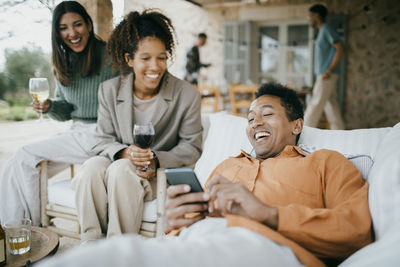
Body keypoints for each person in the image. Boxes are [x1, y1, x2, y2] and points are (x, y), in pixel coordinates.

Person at [38, 83, 372, 267]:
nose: (255, 122)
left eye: (267, 114)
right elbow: (181, 232)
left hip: (271, 249)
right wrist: (173, 224)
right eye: (251, 117)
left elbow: (357, 230)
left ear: (297, 125)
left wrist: (268, 214)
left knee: (115, 258)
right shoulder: (227, 166)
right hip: (195, 245)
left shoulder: (327, 163)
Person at [72, 10, 202, 242]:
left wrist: (155, 159)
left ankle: (119, 249)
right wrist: (124, 152)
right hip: (117, 162)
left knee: (121, 169)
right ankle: (91, 245)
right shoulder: (109, 90)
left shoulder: (187, 94)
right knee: (92, 167)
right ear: (129, 59)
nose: (155, 66)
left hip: (155, 173)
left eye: (161, 57)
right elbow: (102, 140)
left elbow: (192, 147)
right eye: (145, 58)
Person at [0, 1, 117, 225]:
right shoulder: (63, 62)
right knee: (18, 165)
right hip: (77, 133)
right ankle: (17, 227)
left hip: (102, 134)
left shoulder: (111, 57)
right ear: (57, 32)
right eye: (63, 28)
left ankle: (34, 229)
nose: (72, 33)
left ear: (89, 26)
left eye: (78, 24)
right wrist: (50, 107)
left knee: (25, 155)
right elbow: (66, 109)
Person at [304, 3, 345, 130]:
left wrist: (329, 70)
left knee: (314, 105)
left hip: (326, 75)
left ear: (316, 15)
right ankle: (340, 134)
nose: (308, 19)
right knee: (332, 108)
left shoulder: (326, 29)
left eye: (309, 16)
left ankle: (301, 134)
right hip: (326, 74)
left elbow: (340, 48)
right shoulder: (322, 31)